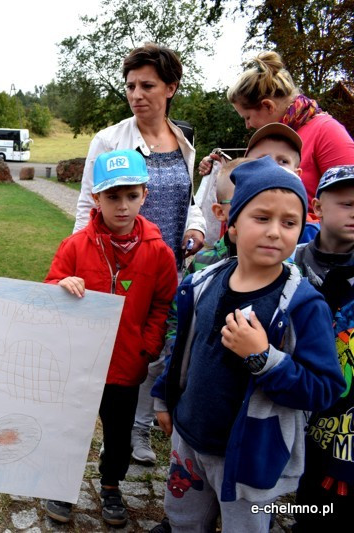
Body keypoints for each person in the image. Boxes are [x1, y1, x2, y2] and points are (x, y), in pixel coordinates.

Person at [152, 157, 345, 532]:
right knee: (184, 521)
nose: (276, 232)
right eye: (262, 218)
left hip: (250, 454)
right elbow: (183, 351)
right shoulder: (202, 284)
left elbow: (325, 389)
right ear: (233, 225)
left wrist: (263, 358)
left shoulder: (303, 306)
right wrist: (163, 396)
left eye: (289, 223)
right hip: (190, 439)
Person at [73, 43, 206, 467]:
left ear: (171, 87)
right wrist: (80, 258)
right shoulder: (110, 139)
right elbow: (85, 205)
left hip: (163, 261)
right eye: (130, 85)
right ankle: (100, 436)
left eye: (147, 85)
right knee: (110, 354)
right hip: (117, 262)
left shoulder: (182, 141)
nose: (136, 94)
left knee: (156, 348)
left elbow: (187, 199)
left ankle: (139, 429)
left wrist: (196, 224)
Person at [44, 149, 177, 526]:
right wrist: (60, 284)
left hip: (125, 364)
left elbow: (163, 303)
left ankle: (111, 485)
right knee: (72, 427)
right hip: (79, 363)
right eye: (112, 197)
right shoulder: (75, 247)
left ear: (144, 196)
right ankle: (62, 485)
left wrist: (147, 346)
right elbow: (49, 290)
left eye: (131, 196)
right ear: (96, 199)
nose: (122, 206)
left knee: (119, 434)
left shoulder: (158, 253)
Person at [200, 51, 354, 203]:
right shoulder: (267, 140)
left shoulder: (326, 132)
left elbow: (348, 202)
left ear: (268, 106)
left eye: (247, 117)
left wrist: (294, 222)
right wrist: (222, 171)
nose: (247, 126)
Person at [293, 165, 354, 531]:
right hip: (290, 395)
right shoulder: (290, 261)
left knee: (325, 502)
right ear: (316, 205)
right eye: (347, 204)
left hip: (343, 419)